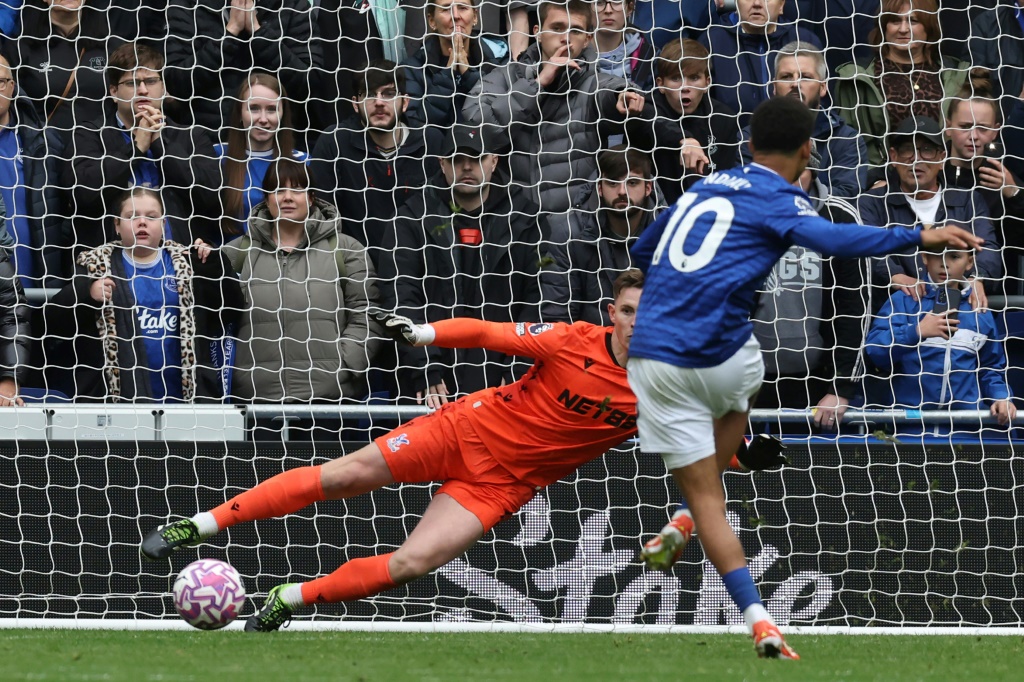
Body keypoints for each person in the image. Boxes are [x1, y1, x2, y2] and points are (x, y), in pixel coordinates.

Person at [139, 269, 788, 631]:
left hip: (502, 486)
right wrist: (422, 334)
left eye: (648, 311)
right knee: (346, 475)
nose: (634, 320)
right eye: (626, 309)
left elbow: (704, 444)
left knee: (412, 564)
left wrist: (747, 454)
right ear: (611, 311)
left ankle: (291, 599)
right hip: (465, 427)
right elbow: (487, 333)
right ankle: (198, 526)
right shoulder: (571, 340)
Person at [626, 96, 983, 659]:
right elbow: (837, 240)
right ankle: (696, 522)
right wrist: (919, 237)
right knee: (740, 378)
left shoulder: (703, 187)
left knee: (706, 493)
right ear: (807, 149)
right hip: (721, 353)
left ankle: (755, 612)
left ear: (747, 146)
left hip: (648, 359)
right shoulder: (781, 196)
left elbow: (642, 250)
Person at [376, 124, 541, 406]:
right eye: (456, 159)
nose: (466, 167)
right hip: (429, 384)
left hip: (504, 380)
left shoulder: (524, 220)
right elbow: (401, 296)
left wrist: (517, 368)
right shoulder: (411, 218)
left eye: (475, 158)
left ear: (493, 162)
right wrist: (425, 368)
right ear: (442, 164)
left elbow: (536, 299)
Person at [45, 187, 244, 402]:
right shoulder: (95, 266)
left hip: (185, 403)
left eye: (151, 216)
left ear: (163, 224)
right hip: (114, 405)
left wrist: (214, 265)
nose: (142, 222)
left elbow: (231, 311)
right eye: (131, 216)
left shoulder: (189, 262)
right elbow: (53, 321)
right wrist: (87, 293)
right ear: (116, 225)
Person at [461, 0, 652, 215]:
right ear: (538, 32)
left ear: (588, 39)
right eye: (557, 28)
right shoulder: (505, 77)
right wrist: (537, 84)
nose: (566, 38)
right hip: (513, 224)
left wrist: (622, 96)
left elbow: (613, 90)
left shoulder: (594, 83)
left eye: (576, 31)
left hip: (575, 228)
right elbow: (473, 125)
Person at [222, 158, 381, 404]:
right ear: (266, 199)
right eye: (278, 190)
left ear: (311, 197)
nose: (287, 197)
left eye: (297, 189)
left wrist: (345, 364)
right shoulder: (236, 253)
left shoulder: (347, 249)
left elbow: (367, 313)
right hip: (254, 400)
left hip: (329, 398)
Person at [65, 42, 223, 248]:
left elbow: (212, 196)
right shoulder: (89, 134)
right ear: (113, 91)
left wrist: (159, 143)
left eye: (150, 81)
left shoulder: (192, 136)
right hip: (111, 264)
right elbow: (83, 195)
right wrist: (135, 149)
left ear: (163, 87)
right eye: (132, 83)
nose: (143, 90)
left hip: (179, 260)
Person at [865, 234, 1015, 425]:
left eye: (954, 256)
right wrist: (916, 332)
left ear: (970, 262)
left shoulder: (979, 309)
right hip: (908, 427)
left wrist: (1000, 396)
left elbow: (991, 367)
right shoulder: (904, 300)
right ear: (925, 258)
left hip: (966, 429)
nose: (944, 264)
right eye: (938, 256)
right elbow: (874, 351)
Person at [858, 115, 1002, 304]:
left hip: (961, 311)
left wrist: (977, 277)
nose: (916, 159)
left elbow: (987, 246)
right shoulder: (872, 202)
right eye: (907, 150)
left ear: (942, 158)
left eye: (926, 150)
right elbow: (866, 247)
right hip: (896, 315)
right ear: (893, 157)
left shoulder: (969, 200)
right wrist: (895, 275)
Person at [309, 61, 442, 260]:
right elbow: (321, 216)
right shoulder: (334, 142)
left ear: (405, 102)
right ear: (355, 104)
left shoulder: (430, 141)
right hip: (355, 268)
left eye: (388, 94)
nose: (379, 102)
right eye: (370, 94)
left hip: (420, 268)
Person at [833, 0, 971, 167]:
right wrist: (874, 179)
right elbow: (851, 141)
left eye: (913, 21)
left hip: (944, 179)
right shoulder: (857, 77)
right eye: (895, 20)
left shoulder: (957, 74)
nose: (903, 29)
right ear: (884, 27)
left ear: (929, 26)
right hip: (880, 182)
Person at [541, 146, 664, 325]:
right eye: (613, 182)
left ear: (648, 188)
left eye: (632, 182)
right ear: (599, 188)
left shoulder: (672, 235)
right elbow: (558, 318)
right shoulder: (569, 232)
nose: (622, 191)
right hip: (590, 348)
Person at [164, 0, 321, 137]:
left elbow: (309, 81)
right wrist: (231, 33)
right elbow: (177, 82)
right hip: (207, 142)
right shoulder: (187, 4)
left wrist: (258, 33)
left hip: (276, 143)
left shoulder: (292, 4)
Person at [738, 41, 867, 198]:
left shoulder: (846, 139)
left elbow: (848, 197)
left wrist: (806, 186)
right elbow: (744, 192)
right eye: (786, 77)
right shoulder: (749, 137)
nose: (795, 83)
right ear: (773, 87)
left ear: (823, 87)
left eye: (805, 77)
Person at [0, 53, 70, 285]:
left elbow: (70, 209)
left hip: (39, 292)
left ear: (12, 87)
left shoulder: (44, 143)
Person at [215, 72, 308, 238]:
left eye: (271, 109)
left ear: (282, 115)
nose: (263, 119)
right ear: (239, 113)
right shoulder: (216, 156)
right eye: (254, 108)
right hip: (230, 258)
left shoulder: (302, 162)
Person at [699, 0, 821, 127]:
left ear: (781, 6)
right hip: (731, 142)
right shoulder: (711, 42)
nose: (757, 3)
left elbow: (822, 103)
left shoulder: (805, 41)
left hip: (794, 140)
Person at [648, 38, 737, 204]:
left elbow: (726, 179)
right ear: (660, 84)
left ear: (707, 83)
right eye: (676, 78)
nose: (685, 87)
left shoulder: (723, 118)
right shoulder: (647, 110)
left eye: (694, 78)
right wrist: (683, 139)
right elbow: (648, 120)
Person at [944, 74, 1024, 251]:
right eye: (965, 127)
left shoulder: (1001, 174)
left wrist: (1014, 194)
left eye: (982, 128)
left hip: (986, 271)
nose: (973, 136)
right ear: (948, 127)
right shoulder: (929, 166)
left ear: (995, 131)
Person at [401, 0, 509, 131]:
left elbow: (503, 119)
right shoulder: (413, 69)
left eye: (463, 8)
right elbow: (414, 126)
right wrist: (446, 77)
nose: (456, 15)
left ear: (475, 16)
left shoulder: (499, 62)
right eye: (446, 9)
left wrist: (469, 76)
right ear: (432, 21)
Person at [592, 0, 655, 90]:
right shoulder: (574, 53)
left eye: (616, 2)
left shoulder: (650, 57)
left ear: (629, 9)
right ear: (587, 10)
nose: (608, 10)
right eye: (599, 2)